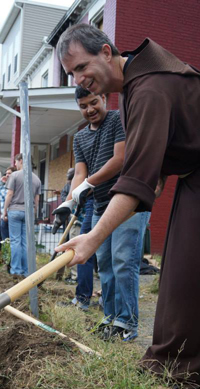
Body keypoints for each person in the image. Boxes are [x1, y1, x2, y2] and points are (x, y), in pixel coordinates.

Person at [55, 24, 200, 389]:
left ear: (106, 52)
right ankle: (175, 367)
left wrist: (91, 238)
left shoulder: (148, 88)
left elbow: (134, 179)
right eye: (72, 73)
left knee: (184, 277)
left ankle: (178, 372)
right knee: (178, 279)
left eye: (82, 67)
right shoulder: (135, 86)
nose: (80, 79)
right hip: (191, 179)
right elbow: (157, 160)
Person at [55, 86, 149, 337]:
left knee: (123, 261)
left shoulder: (119, 119)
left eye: (94, 102)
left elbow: (119, 159)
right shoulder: (80, 137)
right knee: (105, 264)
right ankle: (110, 319)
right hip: (99, 206)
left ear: (104, 98)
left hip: (128, 202)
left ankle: (127, 323)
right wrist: (69, 202)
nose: (90, 109)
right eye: (83, 106)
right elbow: (80, 173)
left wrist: (88, 184)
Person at [2, 153, 41, 276]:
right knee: (25, 242)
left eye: (16, 162)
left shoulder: (14, 175)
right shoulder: (36, 179)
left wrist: (4, 211)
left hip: (14, 210)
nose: (15, 164)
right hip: (28, 213)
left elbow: (9, 194)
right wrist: (34, 213)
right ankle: (26, 271)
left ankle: (16, 270)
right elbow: (37, 200)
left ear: (21, 161)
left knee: (15, 241)